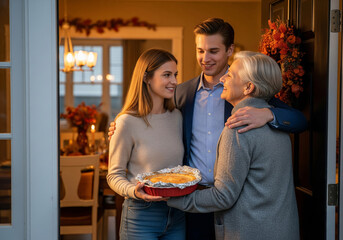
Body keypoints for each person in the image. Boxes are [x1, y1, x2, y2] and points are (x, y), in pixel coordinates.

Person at [109, 18, 306, 240]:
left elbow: (299, 120)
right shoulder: (181, 94)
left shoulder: (244, 88)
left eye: (213, 51)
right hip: (193, 201)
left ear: (229, 50)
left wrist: (270, 113)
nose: (205, 58)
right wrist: (120, 126)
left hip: (235, 204)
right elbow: (150, 117)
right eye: (200, 50)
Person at [167, 51, 300, 240]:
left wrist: (170, 198)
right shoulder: (276, 122)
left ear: (248, 87)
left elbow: (223, 197)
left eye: (230, 75)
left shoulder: (237, 129)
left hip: (249, 232)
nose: (223, 79)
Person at [107, 49, 186, 240]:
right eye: (166, 75)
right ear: (146, 78)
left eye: (175, 75)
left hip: (178, 213)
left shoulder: (177, 117)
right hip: (141, 216)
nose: (174, 81)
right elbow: (114, 175)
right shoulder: (126, 122)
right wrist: (134, 191)